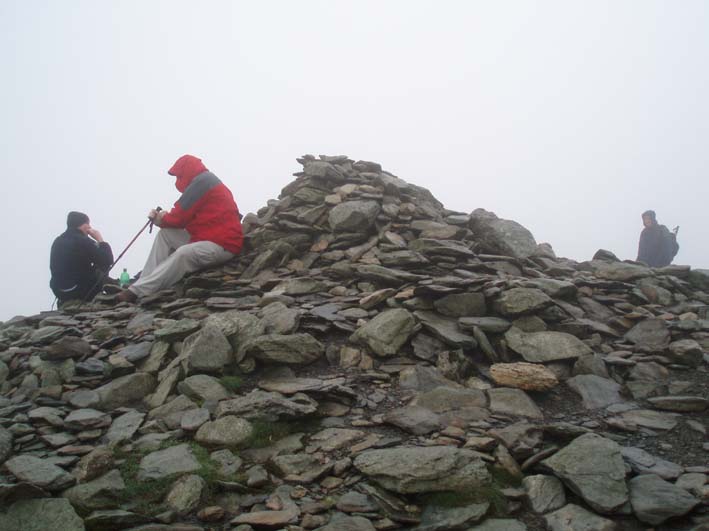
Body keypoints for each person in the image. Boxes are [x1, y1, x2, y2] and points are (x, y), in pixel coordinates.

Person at [117, 154, 243, 302]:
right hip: (210, 239)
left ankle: (138, 291)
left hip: (222, 244)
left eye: (178, 176)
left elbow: (179, 217)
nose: (177, 180)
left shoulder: (202, 182)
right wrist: (163, 219)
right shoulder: (206, 181)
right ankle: (143, 282)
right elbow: (184, 215)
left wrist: (160, 218)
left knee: (183, 253)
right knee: (166, 234)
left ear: (186, 170)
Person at [50, 211, 114, 303]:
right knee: (102, 264)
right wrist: (100, 240)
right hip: (80, 291)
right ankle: (95, 296)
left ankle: (63, 301)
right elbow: (108, 260)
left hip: (59, 291)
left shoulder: (58, 240)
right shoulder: (83, 240)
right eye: (89, 224)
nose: (90, 227)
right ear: (85, 225)